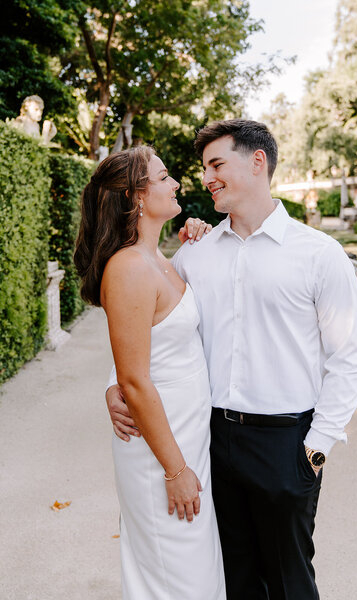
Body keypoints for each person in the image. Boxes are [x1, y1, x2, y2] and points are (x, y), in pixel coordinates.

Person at [107, 120, 357, 600]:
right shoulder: (193, 254)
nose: (206, 177)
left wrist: (317, 447)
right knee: (231, 580)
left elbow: (349, 357)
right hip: (211, 442)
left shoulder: (319, 254)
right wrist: (113, 385)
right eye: (204, 167)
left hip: (287, 443)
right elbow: (155, 331)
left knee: (290, 580)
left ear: (257, 161)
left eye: (217, 164)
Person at [74, 147, 226, 600]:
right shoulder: (128, 268)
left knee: (193, 572)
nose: (176, 183)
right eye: (164, 177)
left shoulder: (160, 259)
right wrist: (175, 470)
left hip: (186, 441)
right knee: (174, 577)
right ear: (135, 198)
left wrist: (196, 238)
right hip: (161, 456)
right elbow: (136, 379)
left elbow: (148, 345)